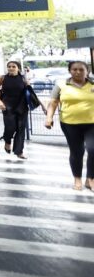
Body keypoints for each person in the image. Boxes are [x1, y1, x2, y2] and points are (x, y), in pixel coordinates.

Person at [44, 61, 94, 191]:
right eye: (74, 69)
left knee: (93, 150)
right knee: (77, 152)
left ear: (87, 71)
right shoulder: (61, 84)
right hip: (70, 123)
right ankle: (77, 179)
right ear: (70, 71)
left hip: (92, 123)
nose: (77, 72)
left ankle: (90, 179)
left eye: (81, 70)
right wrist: (49, 118)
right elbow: (53, 102)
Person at [0, 61, 44, 159]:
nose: (11, 68)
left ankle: (19, 151)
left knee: (21, 129)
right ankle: (7, 141)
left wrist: (42, 106)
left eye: (13, 66)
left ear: (18, 68)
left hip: (22, 106)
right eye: (9, 67)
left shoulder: (23, 79)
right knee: (10, 127)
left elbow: (31, 93)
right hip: (7, 105)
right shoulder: (2, 78)